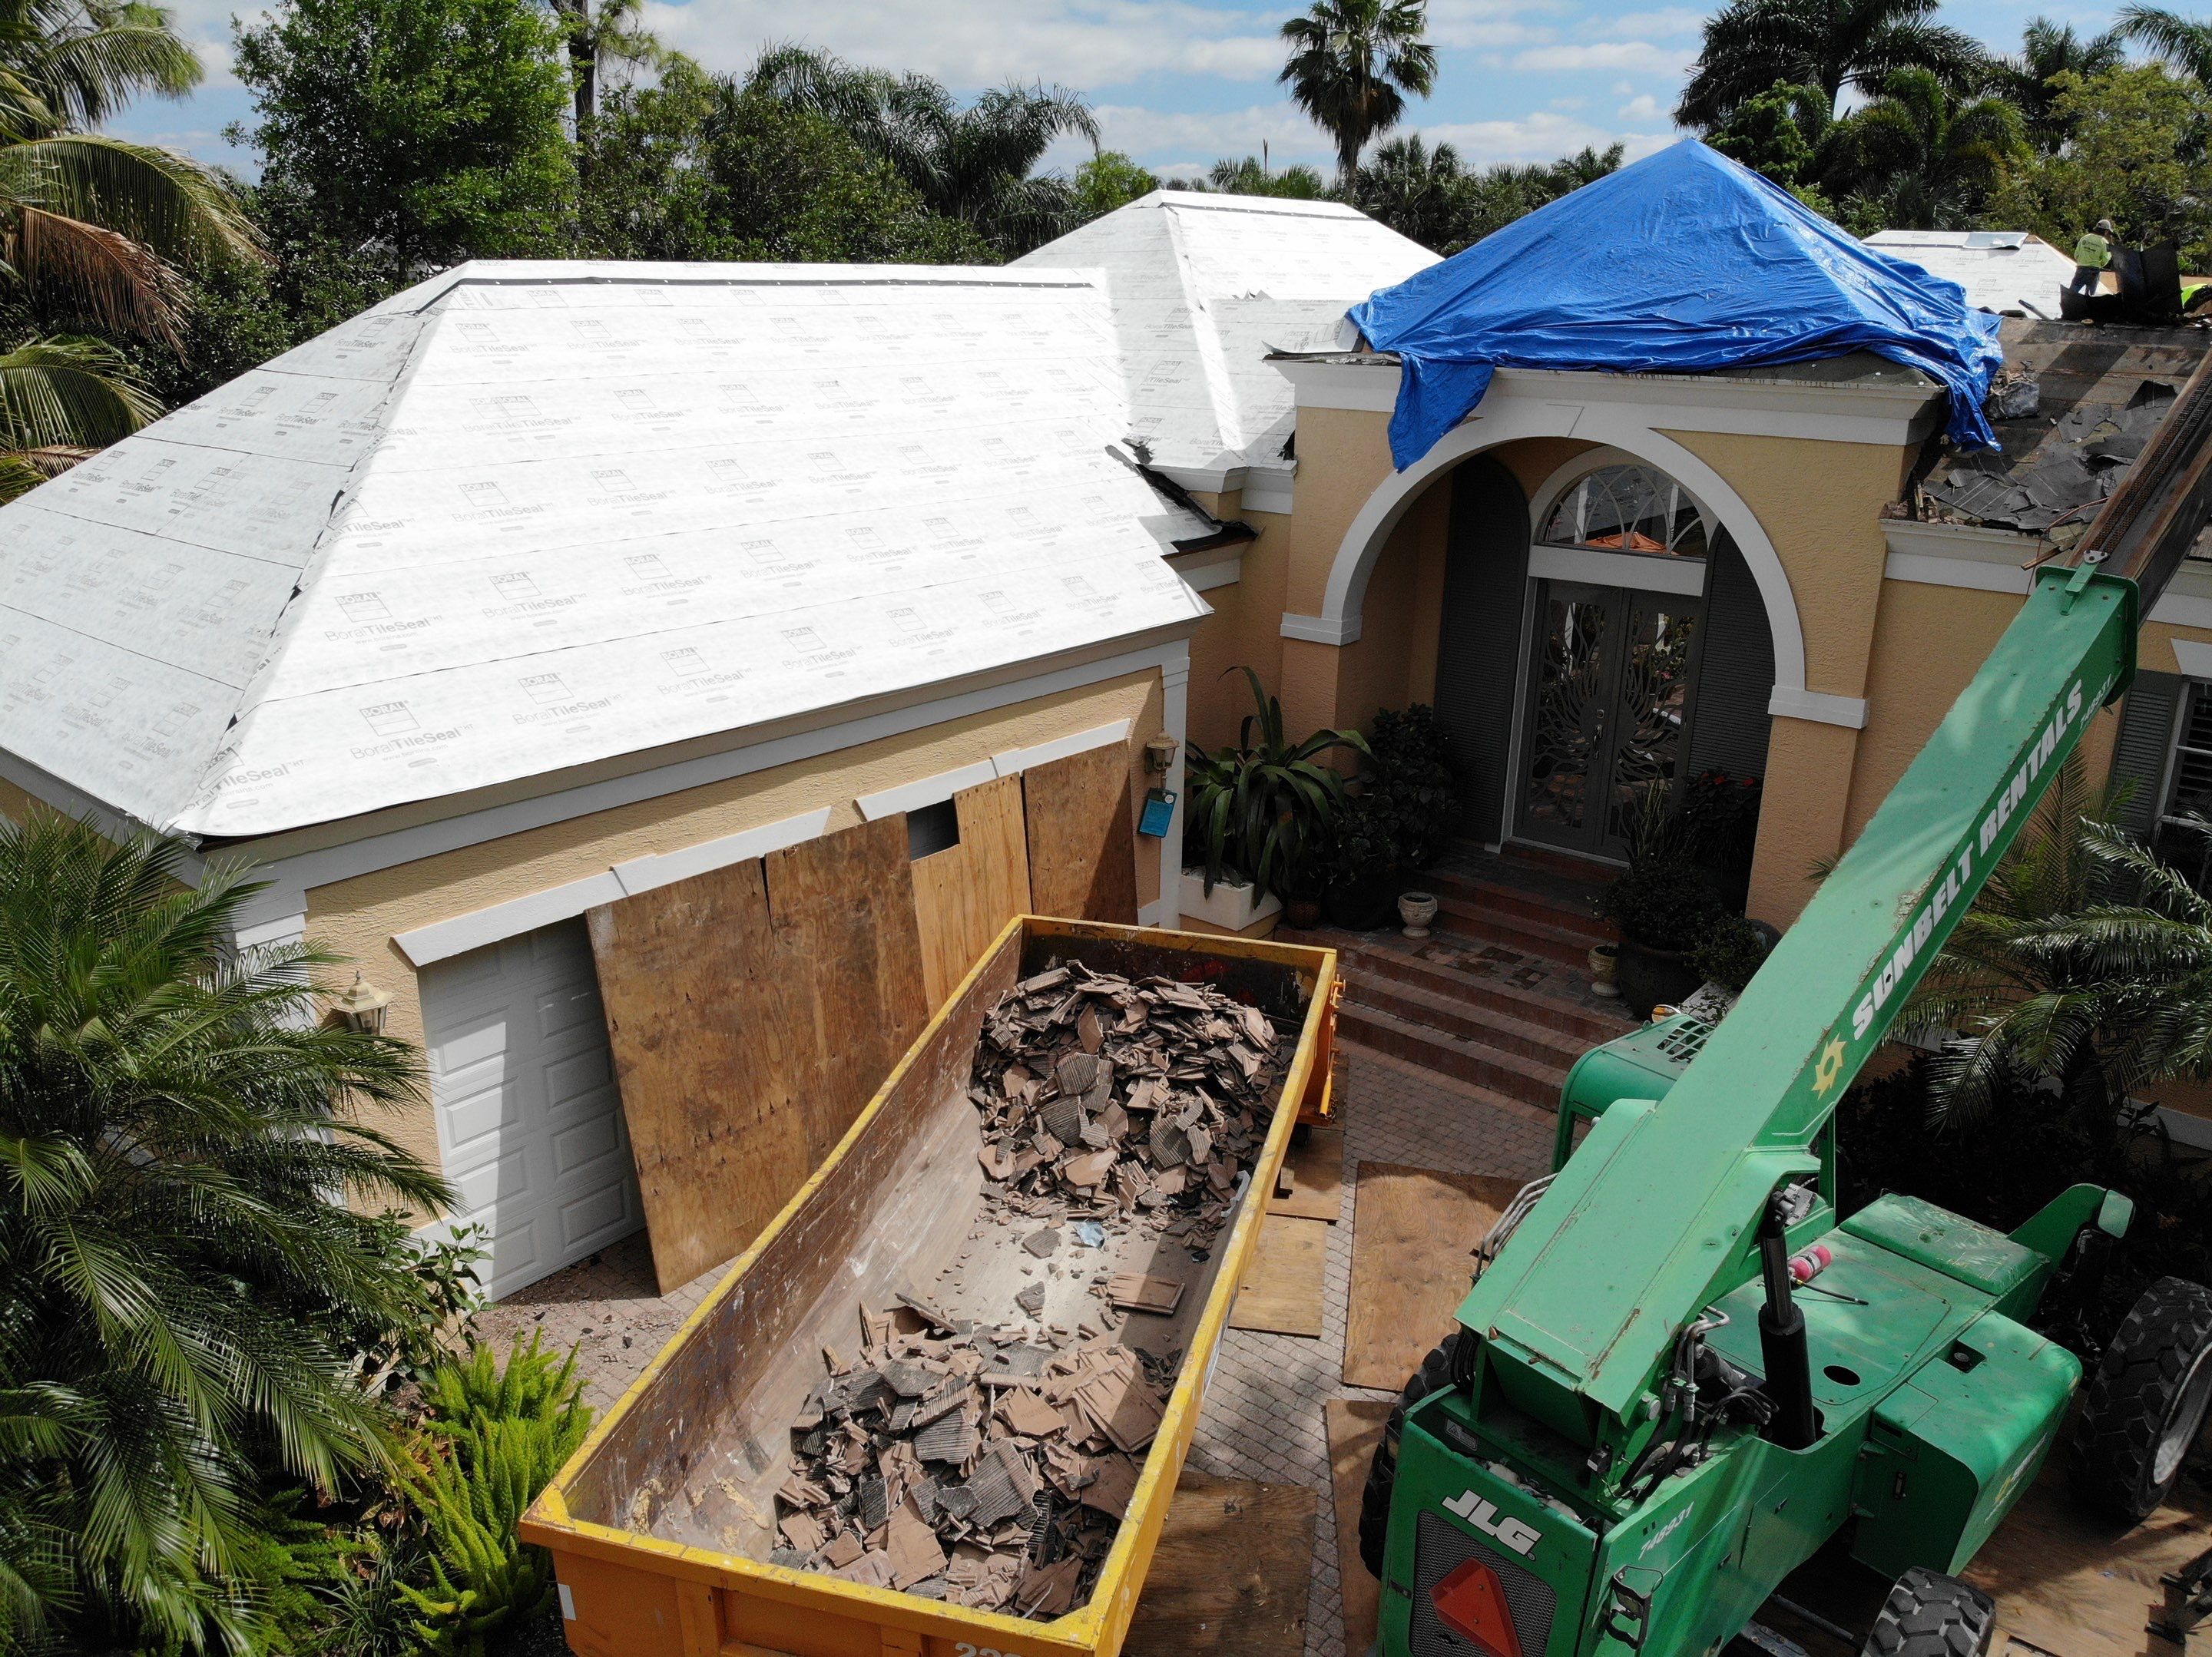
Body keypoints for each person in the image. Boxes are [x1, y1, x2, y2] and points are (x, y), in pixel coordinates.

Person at [2070, 219, 2116, 296]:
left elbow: (2076, 254)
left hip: (2081, 269)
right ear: (2106, 231)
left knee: (2072, 292)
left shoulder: (2085, 238)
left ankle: (2068, 304)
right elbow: (2106, 258)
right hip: (2093, 272)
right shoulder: (2104, 242)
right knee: (2090, 295)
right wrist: (2099, 264)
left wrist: (2082, 262)